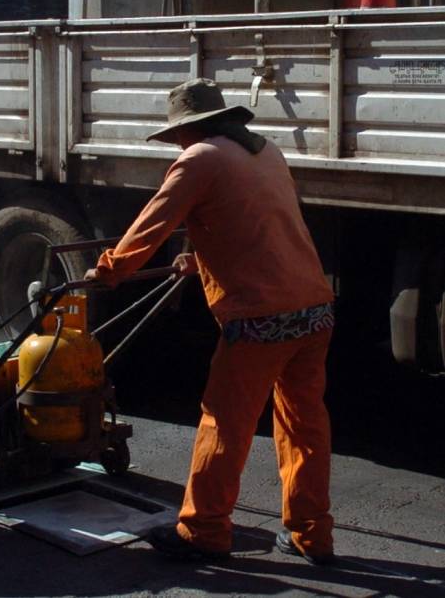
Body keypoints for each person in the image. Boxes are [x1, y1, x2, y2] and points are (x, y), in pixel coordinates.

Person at [85, 78, 336, 565]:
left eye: (179, 132)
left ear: (191, 127)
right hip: (312, 309)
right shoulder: (265, 153)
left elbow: (153, 222)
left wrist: (111, 269)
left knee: (225, 421)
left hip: (261, 316)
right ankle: (312, 535)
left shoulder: (198, 158)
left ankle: (203, 529)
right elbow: (255, 223)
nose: (177, 141)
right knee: (305, 426)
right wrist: (198, 259)